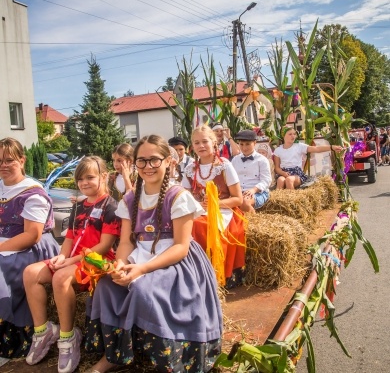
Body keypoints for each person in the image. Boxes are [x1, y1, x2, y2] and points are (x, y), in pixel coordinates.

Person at [84, 135, 222, 373]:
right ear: (134, 164)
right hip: (140, 256)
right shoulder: (129, 199)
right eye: (141, 161)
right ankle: (115, 354)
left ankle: (166, 359)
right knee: (106, 286)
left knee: (142, 288)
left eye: (154, 160)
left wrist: (141, 270)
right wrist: (120, 264)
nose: (148, 167)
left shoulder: (178, 196)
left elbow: (181, 247)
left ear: (168, 161)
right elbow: (126, 242)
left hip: (176, 263)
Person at [23, 156, 121, 373]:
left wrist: (71, 261)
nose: (84, 183)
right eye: (80, 179)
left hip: (96, 262)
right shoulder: (78, 206)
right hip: (72, 259)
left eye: (90, 177)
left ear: (104, 176)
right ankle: (43, 330)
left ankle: (68, 337)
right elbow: (69, 238)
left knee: (61, 277)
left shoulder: (111, 207)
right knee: (31, 273)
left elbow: (104, 247)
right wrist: (60, 256)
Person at [0, 138, 60, 360]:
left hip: (29, 246)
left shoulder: (32, 193)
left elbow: (31, 235)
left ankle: (10, 342)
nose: (3, 165)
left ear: (22, 160)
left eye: (9, 160)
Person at [181, 124, 246, 288]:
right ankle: (192, 272)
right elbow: (183, 196)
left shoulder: (224, 165)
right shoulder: (190, 169)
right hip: (198, 211)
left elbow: (238, 199)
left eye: (205, 141)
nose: (201, 146)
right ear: (192, 146)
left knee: (200, 226)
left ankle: (217, 273)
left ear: (214, 143)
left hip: (224, 210)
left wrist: (216, 203)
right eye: (196, 143)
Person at [274, 126, 343, 190]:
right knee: (280, 180)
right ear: (283, 136)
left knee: (289, 180)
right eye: (290, 134)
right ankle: (277, 202)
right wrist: (283, 173)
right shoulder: (278, 150)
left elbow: (316, 149)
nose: (293, 136)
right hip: (284, 172)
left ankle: (292, 201)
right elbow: (277, 168)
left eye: (294, 134)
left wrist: (331, 147)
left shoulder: (299, 146)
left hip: (296, 174)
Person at [231, 130, 272, 213]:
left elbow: (266, 180)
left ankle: (254, 222)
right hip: (239, 192)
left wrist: (253, 190)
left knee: (244, 202)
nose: (244, 148)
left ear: (255, 143)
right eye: (241, 144)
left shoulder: (262, 160)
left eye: (247, 144)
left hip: (258, 193)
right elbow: (230, 178)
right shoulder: (235, 160)